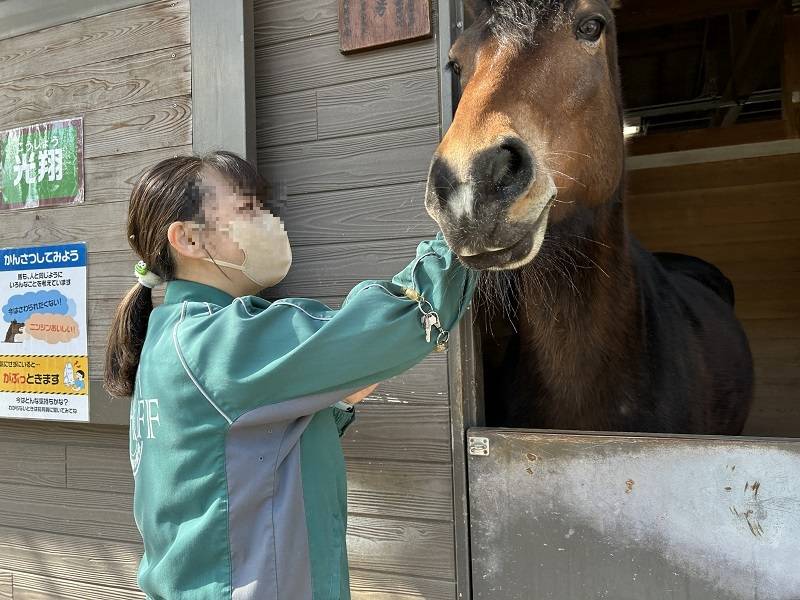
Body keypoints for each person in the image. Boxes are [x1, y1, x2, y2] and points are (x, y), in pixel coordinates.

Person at [104, 150, 477, 600]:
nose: (267, 221)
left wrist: (335, 399)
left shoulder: (174, 337)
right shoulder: (216, 341)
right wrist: (469, 219)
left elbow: (241, 457)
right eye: (246, 210)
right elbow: (394, 322)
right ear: (188, 240)